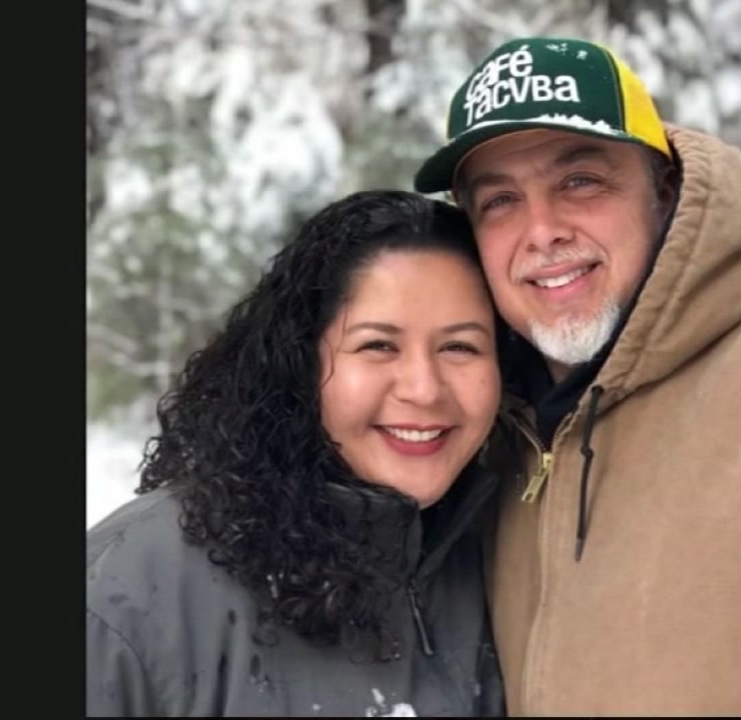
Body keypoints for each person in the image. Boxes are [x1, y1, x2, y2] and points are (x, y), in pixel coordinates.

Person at [414, 37, 741, 715]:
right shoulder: (489, 441)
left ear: (664, 190)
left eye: (580, 181)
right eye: (500, 201)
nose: (542, 230)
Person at [86, 190, 507, 717]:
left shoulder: (501, 558)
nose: (424, 389)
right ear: (299, 362)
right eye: (378, 345)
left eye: (460, 347)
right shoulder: (127, 594)